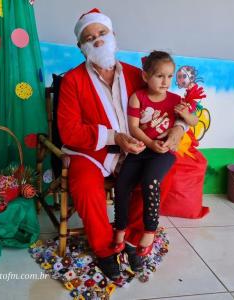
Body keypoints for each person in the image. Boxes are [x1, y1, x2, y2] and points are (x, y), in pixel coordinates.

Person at [57, 8, 186, 280]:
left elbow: (170, 104)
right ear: (82, 48)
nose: (98, 40)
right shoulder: (72, 81)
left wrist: (178, 129)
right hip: (92, 151)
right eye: (89, 37)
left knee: (161, 173)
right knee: (84, 184)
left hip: (139, 148)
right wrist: (114, 137)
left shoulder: (136, 74)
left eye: (102, 33)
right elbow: (69, 131)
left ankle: (134, 239)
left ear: (113, 36)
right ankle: (105, 250)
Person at [112, 51, 199, 256]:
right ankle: (120, 228)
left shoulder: (176, 100)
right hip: (142, 149)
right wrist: (150, 143)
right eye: (160, 76)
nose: (165, 81)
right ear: (145, 76)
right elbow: (134, 127)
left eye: (170, 76)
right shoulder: (137, 97)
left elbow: (193, 121)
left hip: (163, 152)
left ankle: (149, 231)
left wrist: (185, 114)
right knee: (122, 184)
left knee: (150, 181)